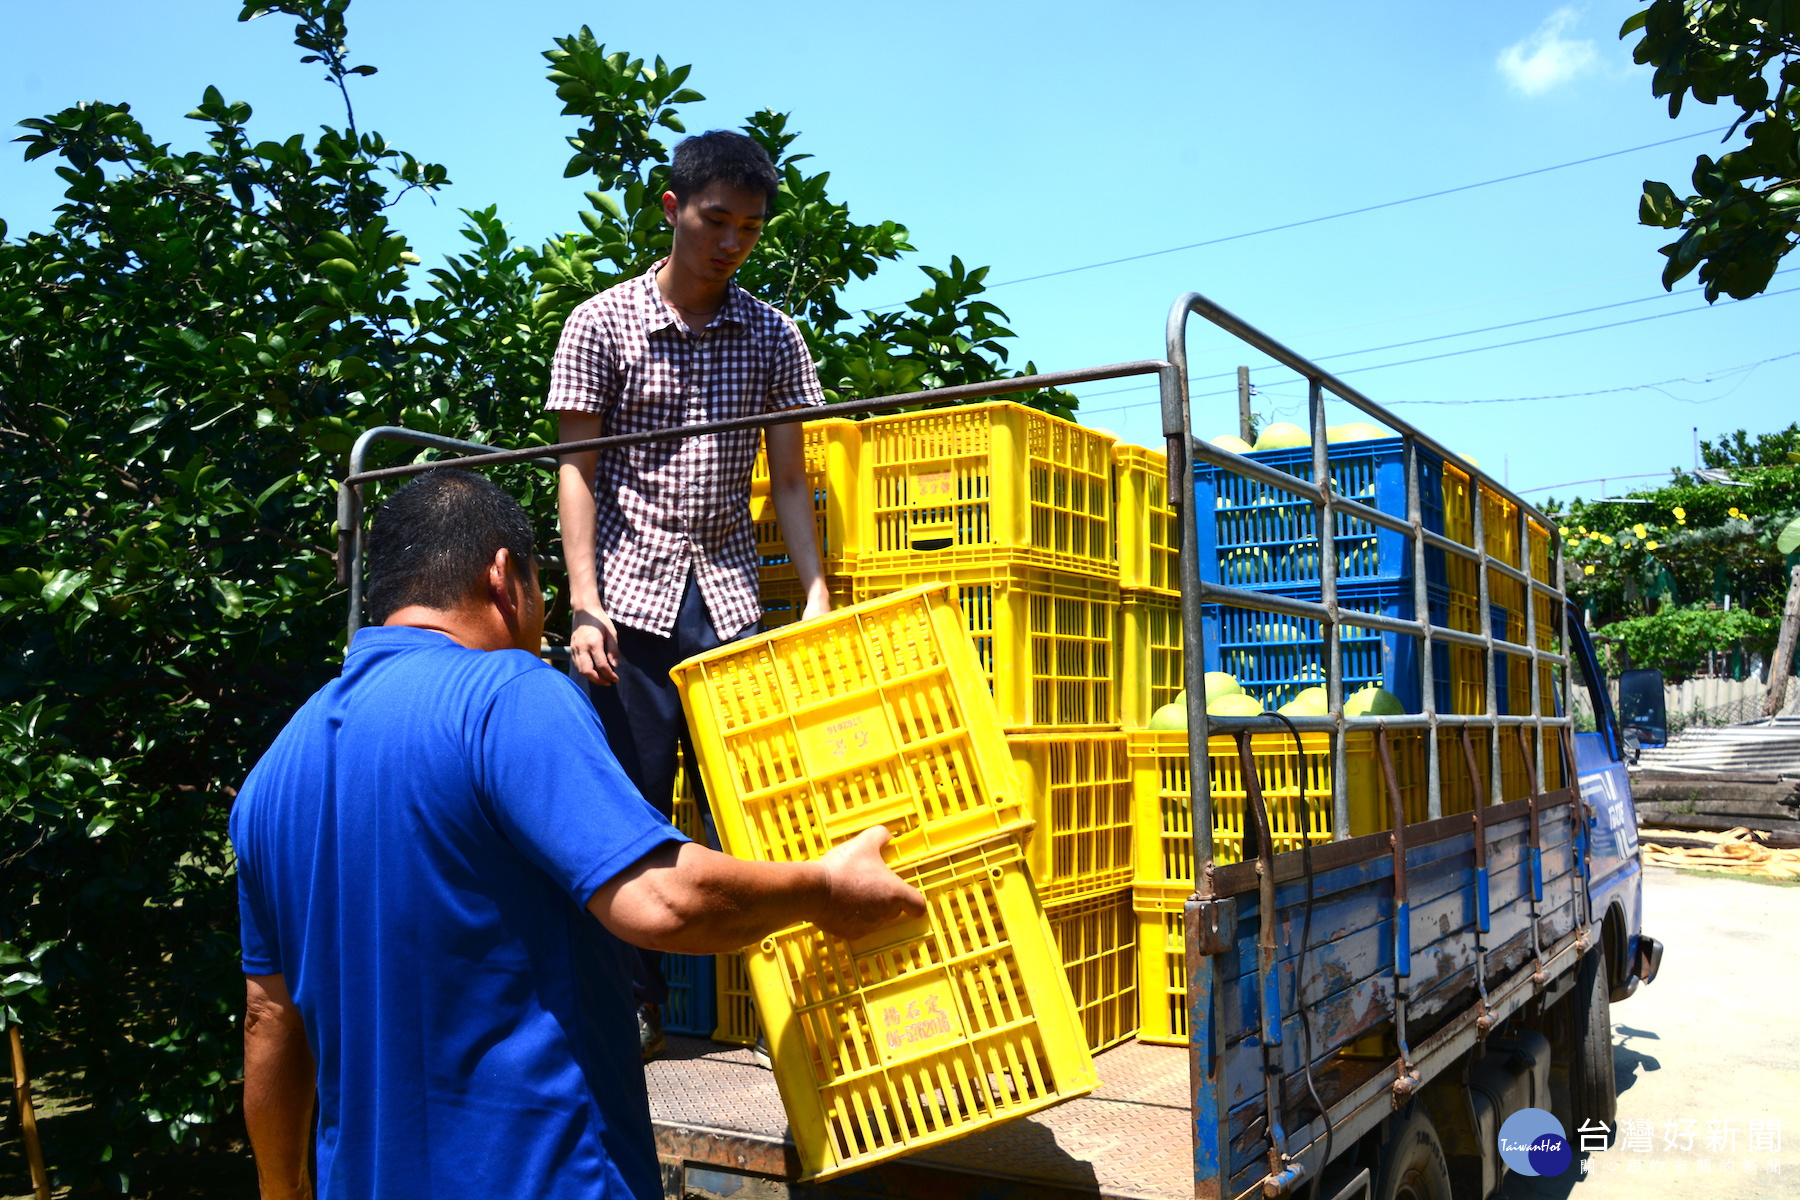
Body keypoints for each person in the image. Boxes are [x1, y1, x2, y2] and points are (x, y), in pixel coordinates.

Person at [232, 469, 922, 1200]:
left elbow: (267, 1021)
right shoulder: (507, 693)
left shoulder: (275, 771)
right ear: (506, 578)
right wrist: (825, 887)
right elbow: (662, 901)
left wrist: (285, 1190)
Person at [546, 129, 831, 1053]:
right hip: (627, 600)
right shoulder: (601, 323)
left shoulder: (774, 334)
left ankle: (790, 1004)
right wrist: (583, 602)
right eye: (716, 221)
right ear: (673, 211)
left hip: (731, 597)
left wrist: (818, 591)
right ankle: (633, 1007)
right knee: (629, 807)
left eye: (750, 228)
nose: (732, 243)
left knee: (757, 800)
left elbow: (788, 481)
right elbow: (576, 470)